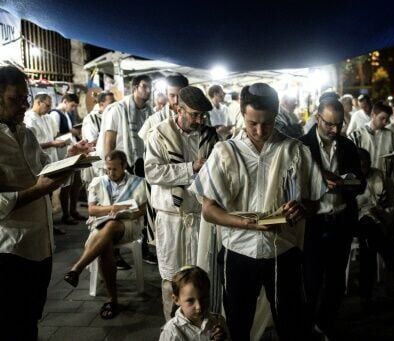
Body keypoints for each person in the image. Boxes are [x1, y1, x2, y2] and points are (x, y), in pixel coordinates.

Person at [189, 83, 325, 341]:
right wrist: (250, 224)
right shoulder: (225, 152)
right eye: (252, 123)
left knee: (290, 323)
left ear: (276, 115)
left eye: (267, 123)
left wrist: (302, 208)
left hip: (283, 251)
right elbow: (208, 211)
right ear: (242, 114)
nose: (260, 131)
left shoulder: (294, 150)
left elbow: (314, 201)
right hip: (238, 251)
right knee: (238, 325)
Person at [0, 66, 91, 340]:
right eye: (15, 99)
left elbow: (45, 171)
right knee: (12, 322)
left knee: (30, 318)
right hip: (10, 249)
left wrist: (70, 160)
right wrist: (38, 191)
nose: (24, 106)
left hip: (40, 245)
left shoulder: (25, 134)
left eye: (25, 98)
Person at [145, 86, 218, 321]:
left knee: (201, 278)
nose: (199, 120)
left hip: (199, 217)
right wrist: (191, 168)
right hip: (171, 216)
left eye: (202, 115)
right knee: (172, 280)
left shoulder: (209, 135)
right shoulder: (159, 133)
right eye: (194, 114)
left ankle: (200, 328)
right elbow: (152, 172)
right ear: (179, 109)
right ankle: (172, 328)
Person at [299, 98, 365, 338]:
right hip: (313, 223)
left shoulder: (347, 146)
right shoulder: (302, 146)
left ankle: (325, 325)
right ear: (317, 118)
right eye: (329, 124)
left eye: (339, 124)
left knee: (337, 282)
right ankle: (305, 328)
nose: (335, 130)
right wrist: (319, 180)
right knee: (311, 281)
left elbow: (360, 183)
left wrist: (344, 182)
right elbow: (292, 185)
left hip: (341, 220)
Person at [64, 150, 147, 319]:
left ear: (124, 166)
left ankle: (76, 269)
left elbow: (143, 210)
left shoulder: (138, 182)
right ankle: (112, 300)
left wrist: (128, 212)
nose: (110, 172)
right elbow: (92, 210)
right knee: (106, 242)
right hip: (102, 225)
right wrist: (114, 209)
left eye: (114, 169)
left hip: (127, 226)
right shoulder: (98, 181)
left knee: (110, 226)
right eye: (108, 169)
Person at [97, 74, 157, 264]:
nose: (148, 91)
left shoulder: (149, 112)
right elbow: (109, 141)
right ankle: (114, 253)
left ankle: (144, 248)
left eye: (150, 87)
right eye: (145, 87)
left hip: (142, 165)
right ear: (135, 88)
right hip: (122, 166)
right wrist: (111, 171)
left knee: (143, 208)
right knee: (118, 210)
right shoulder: (118, 110)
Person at [355, 148, 394, 302]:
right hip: (357, 222)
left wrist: (381, 212)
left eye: (365, 165)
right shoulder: (348, 179)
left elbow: (393, 204)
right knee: (371, 231)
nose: (362, 169)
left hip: (381, 221)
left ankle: (366, 292)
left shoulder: (380, 177)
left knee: (370, 242)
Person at [159, 265, 229, 341]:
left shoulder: (218, 321)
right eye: (190, 301)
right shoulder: (171, 332)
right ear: (176, 300)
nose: (199, 307)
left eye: (204, 298)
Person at [50, 93, 84, 226]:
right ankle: (66, 213)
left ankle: (73, 210)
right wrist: (71, 132)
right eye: (72, 105)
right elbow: (54, 135)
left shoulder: (67, 114)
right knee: (66, 185)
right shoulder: (55, 114)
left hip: (72, 153)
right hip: (63, 154)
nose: (74, 108)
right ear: (65, 101)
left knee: (76, 183)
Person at [349, 101, 394, 177]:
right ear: (373, 115)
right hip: (363, 180)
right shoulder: (357, 135)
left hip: (384, 179)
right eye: (382, 118)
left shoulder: (391, 135)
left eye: (387, 119)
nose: (385, 122)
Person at [139, 74, 189, 141]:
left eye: (180, 96)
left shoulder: (197, 116)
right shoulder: (154, 120)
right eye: (172, 95)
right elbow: (142, 143)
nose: (176, 101)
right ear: (166, 94)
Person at [81, 91, 115, 184]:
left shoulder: (112, 115)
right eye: (111, 102)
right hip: (97, 162)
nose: (115, 104)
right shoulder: (91, 118)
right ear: (101, 104)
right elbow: (91, 142)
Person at [24, 93, 68, 163]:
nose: (49, 109)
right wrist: (52, 144)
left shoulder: (47, 117)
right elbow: (31, 147)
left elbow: (54, 135)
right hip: (39, 160)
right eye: (47, 106)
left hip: (52, 157)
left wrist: (60, 141)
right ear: (38, 102)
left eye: (50, 106)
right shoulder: (28, 119)